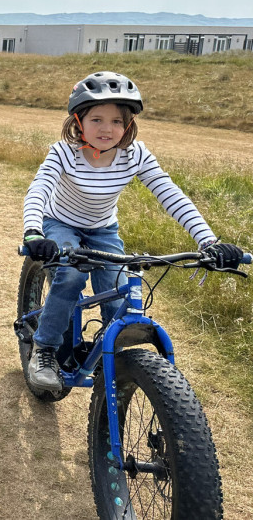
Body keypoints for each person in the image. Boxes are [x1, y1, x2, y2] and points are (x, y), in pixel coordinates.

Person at [22, 71, 244, 392]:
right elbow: (39, 190)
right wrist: (33, 232)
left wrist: (208, 241)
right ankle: (44, 350)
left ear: (128, 125)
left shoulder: (135, 155)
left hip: (103, 229)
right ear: (77, 121)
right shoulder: (64, 152)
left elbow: (171, 194)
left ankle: (110, 357)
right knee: (70, 277)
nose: (106, 129)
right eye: (96, 119)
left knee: (116, 291)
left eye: (116, 121)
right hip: (60, 223)